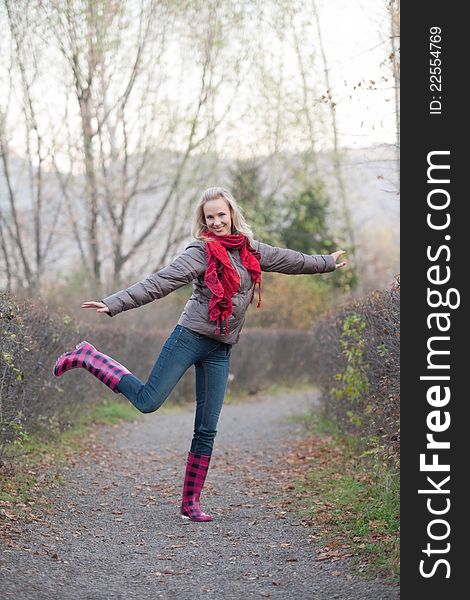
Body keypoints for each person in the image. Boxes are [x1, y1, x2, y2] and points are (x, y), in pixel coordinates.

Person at [53, 187, 347, 523]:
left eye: (222, 215)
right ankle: (88, 357)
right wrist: (115, 302)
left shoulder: (250, 250)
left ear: (232, 214)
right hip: (189, 337)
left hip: (220, 348)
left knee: (207, 429)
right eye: (211, 217)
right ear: (204, 221)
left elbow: (289, 259)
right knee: (149, 401)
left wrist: (326, 263)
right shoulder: (201, 252)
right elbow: (160, 282)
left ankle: (190, 502)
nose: (218, 222)